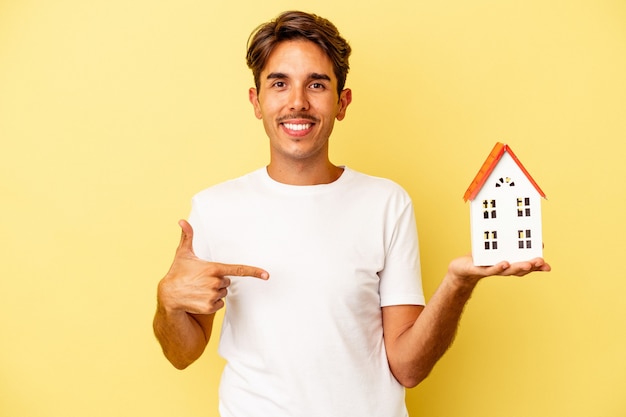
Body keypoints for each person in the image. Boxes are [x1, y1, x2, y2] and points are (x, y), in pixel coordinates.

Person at [153, 10, 551, 417]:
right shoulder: (214, 209)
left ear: (342, 102)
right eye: (279, 83)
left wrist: (457, 284)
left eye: (317, 84)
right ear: (256, 101)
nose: (297, 102)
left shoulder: (386, 203)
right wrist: (167, 302)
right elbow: (181, 354)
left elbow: (408, 368)